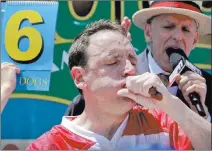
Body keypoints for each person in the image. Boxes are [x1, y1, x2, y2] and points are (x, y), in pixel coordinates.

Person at [1, 20, 211, 150]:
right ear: (79, 77)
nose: (129, 69)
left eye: (133, 59)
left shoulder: (166, 123)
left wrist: (172, 104)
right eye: (113, 61)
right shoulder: (49, 146)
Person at [66, 1, 212, 122]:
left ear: (195, 40)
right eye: (169, 26)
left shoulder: (207, 87)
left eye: (186, 29)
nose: (178, 36)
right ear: (148, 32)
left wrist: (202, 116)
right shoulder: (114, 80)